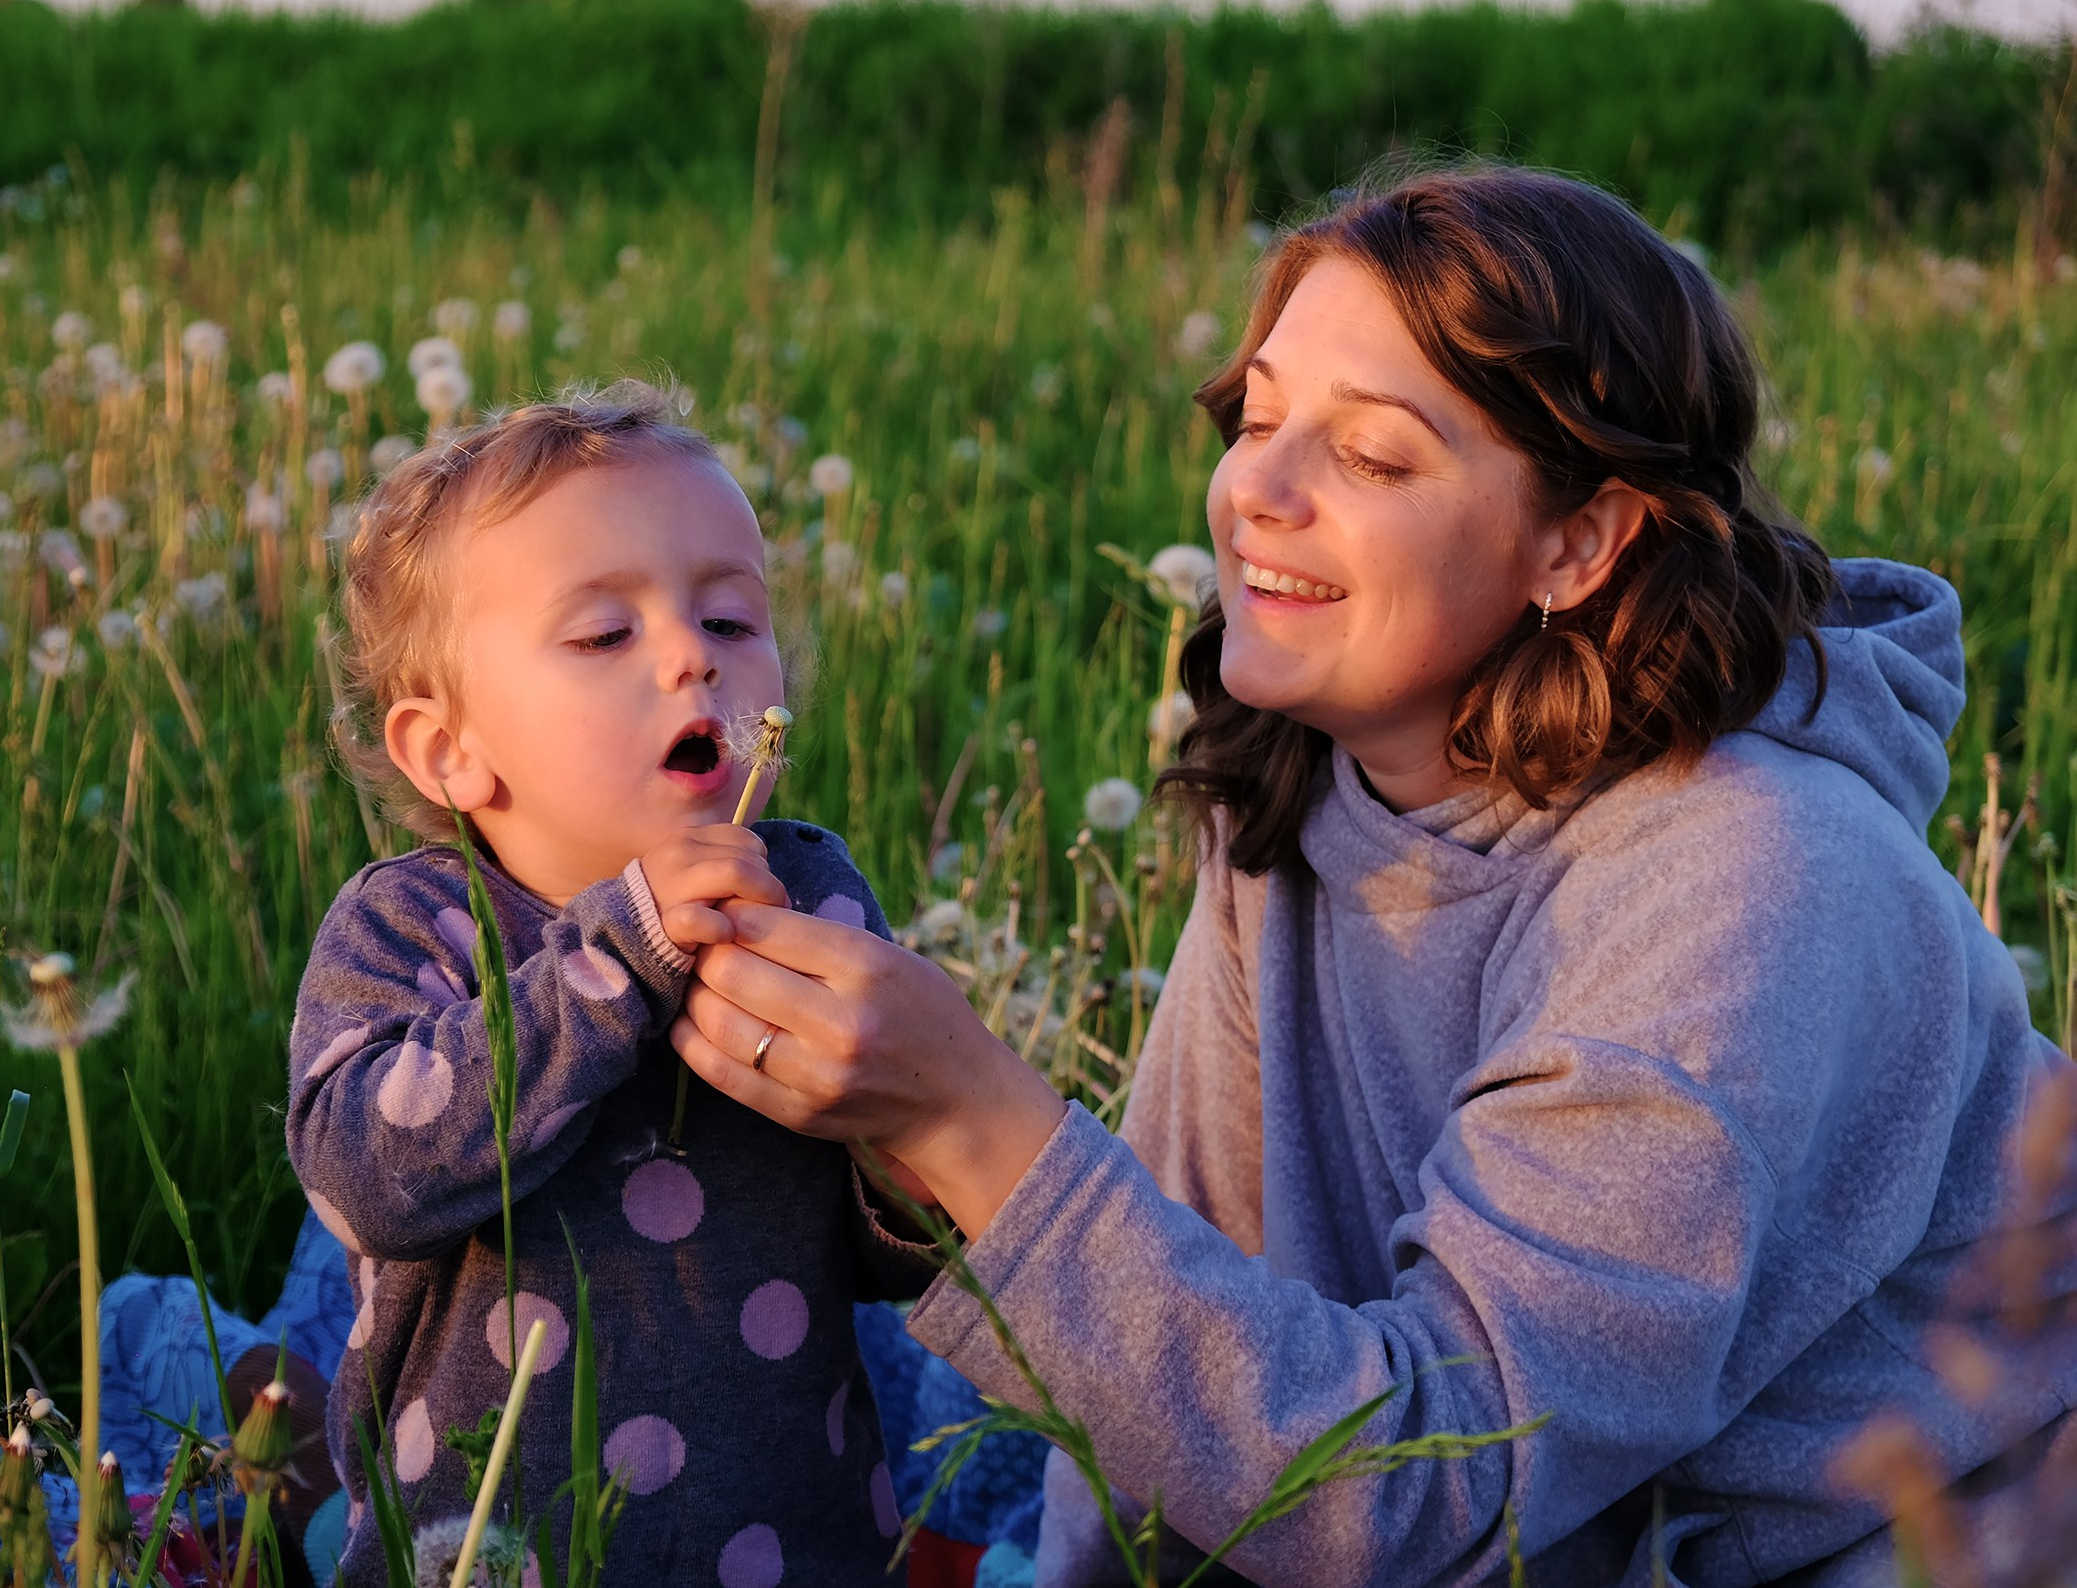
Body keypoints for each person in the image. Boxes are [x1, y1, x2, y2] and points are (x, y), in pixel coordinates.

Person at [669, 168, 2077, 1584]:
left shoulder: (1752, 879)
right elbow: (1185, 1299)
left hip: (1905, 1541)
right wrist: (920, 1169)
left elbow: (1432, 1494)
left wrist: (970, 1118)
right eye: (1258, 418)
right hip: (1466, 1490)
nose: (1255, 491)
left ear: (1579, 541)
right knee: (737, 1331)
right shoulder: (1315, 765)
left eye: (1372, 456)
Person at [289, 382, 931, 1586]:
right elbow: (362, 1174)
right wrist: (612, 959)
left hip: (792, 1544)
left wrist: (914, 1154)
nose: (693, 655)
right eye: (603, 634)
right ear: (450, 750)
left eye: (730, 618)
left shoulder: (807, 894)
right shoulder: (414, 925)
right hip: (491, 1547)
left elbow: (891, 1255)